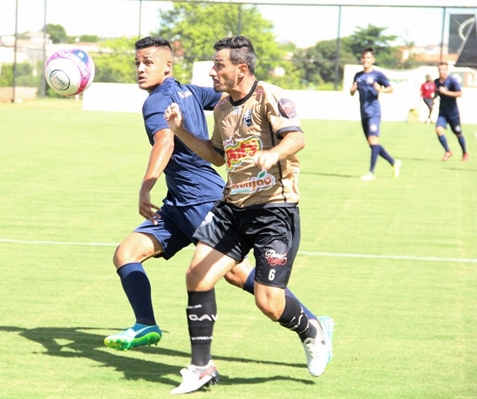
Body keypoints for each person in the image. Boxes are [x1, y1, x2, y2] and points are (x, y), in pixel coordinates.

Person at [104, 36, 322, 354]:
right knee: (127, 254)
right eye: (136, 62)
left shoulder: (154, 102)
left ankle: (311, 322)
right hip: (178, 202)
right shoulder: (191, 91)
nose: (140, 68)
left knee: (235, 273)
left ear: (168, 65)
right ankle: (145, 325)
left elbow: (164, 141)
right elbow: (227, 100)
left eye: (148, 62)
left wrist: (146, 185)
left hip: (201, 198)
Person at [164, 36, 334, 395]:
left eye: (218, 65)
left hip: (274, 209)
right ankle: (201, 368)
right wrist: (180, 131)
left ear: (241, 69)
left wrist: (273, 156)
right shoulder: (223, 107)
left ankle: (312, 328)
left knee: (268, 301)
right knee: (197, 276)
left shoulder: (270, 96)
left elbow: (296, 138)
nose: (213, 71)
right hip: (232, 208)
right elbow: (215, 154)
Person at [349, 47, 402, 181]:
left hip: (374, 113)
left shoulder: (377, 75)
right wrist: (352, 90)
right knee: (373, 143)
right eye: (363, 58)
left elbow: (390, 88)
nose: (365, 60)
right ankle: (393, 162)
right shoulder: (358, 75)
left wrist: (381, 91)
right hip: (364, 113)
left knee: (373, 141)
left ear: (373, 60)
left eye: (368, 58)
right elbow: (352, 92)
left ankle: (371, 172)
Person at [434, 62, 469, 162]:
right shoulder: (436, 82)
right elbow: (437, 92)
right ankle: (448, 151)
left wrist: (446, 92)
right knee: (438, 130)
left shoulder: (452, 81)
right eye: (440, 69)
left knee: (458, 133)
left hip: (453, 113)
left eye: (443, 69)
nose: (441, 71)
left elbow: (459, 93)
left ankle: (464, 152)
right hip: (443, 113)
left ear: (447, 70)